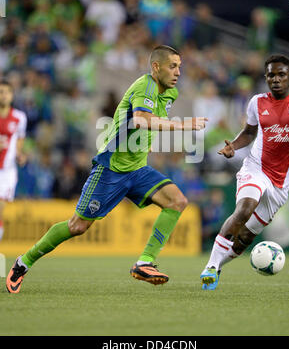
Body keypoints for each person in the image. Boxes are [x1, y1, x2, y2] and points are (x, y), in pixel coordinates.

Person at [6, 45, 207, 293]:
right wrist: (186, 125)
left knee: (177, 201)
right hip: (111, 168)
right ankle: (23, 263)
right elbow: (142, 121)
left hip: (137, 169)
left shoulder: (169, 93)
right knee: (77, 226)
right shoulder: (146, 86)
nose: (178, 72)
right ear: (156, 67)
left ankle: (144, 262)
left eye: (179, 67)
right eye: (172, 66)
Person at [200, 54, 289, 290]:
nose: (276, 79)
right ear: (265, 78)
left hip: (280, 184)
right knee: (244, 208)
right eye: (271, 75)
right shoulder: (257, 102)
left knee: (245, 237)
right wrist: (232, 146)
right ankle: (211, 267)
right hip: (256, 168)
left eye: (281, 74)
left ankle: (219, 265)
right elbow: (249, 132)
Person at [0, 81, 27, 241]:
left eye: (6, 92)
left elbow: (19, 142)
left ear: (11, 95)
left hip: (7, 172)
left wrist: (19, 155)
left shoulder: (19, 117)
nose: (3, 95)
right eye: (0, 92)